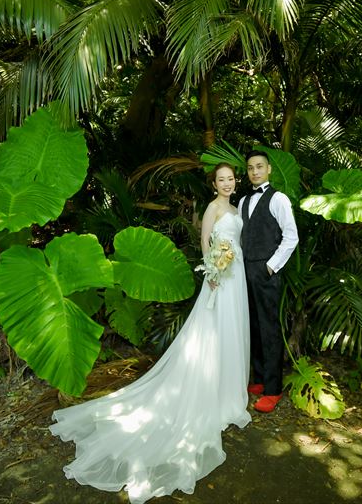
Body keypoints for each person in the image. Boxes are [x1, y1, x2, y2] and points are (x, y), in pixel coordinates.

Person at [48, 163, 251, 504]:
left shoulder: (236, 207)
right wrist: (212, 269)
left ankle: (230, 391)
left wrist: (230, 263)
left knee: (234, 331)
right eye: (222, 179)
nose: (227, 183)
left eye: (231, 179)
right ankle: (212, 394)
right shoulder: (214, 208)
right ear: (213, 183)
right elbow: (206, 242)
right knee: (214, 332)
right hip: (220, 278)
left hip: (238, 275)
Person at [239, 150, 299, 413]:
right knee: (253, 325)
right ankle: (261, 378)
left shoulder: (279, 199)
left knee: (270, 329)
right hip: (244, 272)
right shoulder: (242, 201)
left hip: (266, 272)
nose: (255, 172)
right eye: (250, 168)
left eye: (259, 167)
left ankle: (273, 390)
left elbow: (291, 237)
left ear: (269, 169)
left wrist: (271, 267)